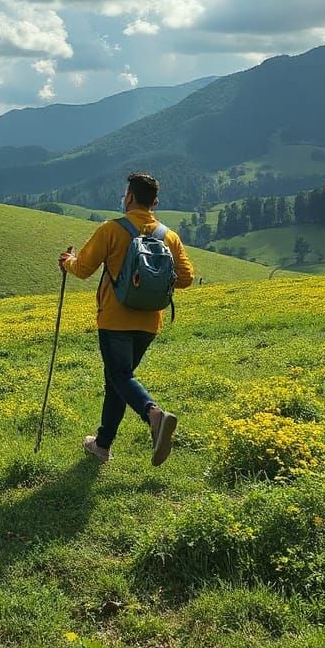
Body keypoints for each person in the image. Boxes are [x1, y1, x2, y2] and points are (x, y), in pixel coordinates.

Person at [59, 172, 194, 466]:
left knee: (119, 376)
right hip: (149, 322)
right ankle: (102, 445)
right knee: (118, 380)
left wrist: (66, 261)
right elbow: (186, 278)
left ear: (129, 197)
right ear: (154, 202)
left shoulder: (111, 229)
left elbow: (82, 269)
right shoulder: (169, 236)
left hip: (114, 318)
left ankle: (155, 416)